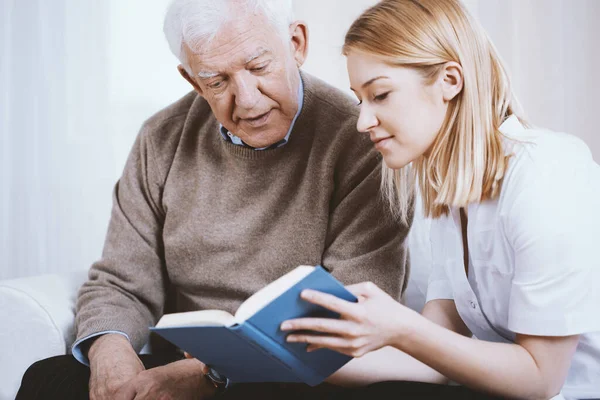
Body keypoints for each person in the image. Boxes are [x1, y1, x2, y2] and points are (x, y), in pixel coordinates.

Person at [16, 1, 411, 399]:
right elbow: (121, 281)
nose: (248, 100)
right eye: (217, 81)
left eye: (258, 67)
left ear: (296, 43)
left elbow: (352, 311)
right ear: (192, 81)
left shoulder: (363, 139)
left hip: (298, 367)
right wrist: (111, 355)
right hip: (179, 365)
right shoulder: (161, 138)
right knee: (47, 379)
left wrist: (213, 374)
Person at [281, 1, 600, 399]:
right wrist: (296, 354)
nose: (362, 122)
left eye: (380, 94)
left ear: (450, 80)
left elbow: (541, 379)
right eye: (361, 100)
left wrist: (401, 326)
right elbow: (431, 359)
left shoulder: (547, 176)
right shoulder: (451, 198)